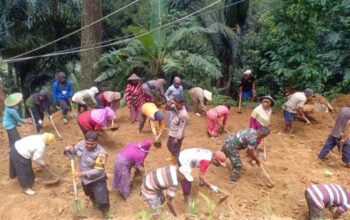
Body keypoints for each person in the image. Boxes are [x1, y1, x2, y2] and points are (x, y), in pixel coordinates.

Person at [64, 131, 110, 219]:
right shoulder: (81, 144)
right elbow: (73, 152)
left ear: (97, 142)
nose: (89, 145)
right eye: (87, 143)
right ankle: (95, 203)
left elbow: (98, 170)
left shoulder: (101, 154)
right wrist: (69, 149)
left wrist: (82, 173)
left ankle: (105, 213)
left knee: (102, 198)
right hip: (85, 179)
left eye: (92, 144)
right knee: (89, 193)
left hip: (97, 180)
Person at [165, 95, 189, 164]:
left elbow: (182, 127)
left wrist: (177, 138)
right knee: (169, 146)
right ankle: (173, 157)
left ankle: (175, 163)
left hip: (176, 135)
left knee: (175, 150)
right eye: (175, 104)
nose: (175, 106)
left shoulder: (184, 114)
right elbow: (166, 108)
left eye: (177, 105)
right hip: (171, 132)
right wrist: (169, 102)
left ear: (182, 104)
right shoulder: (177, 107)